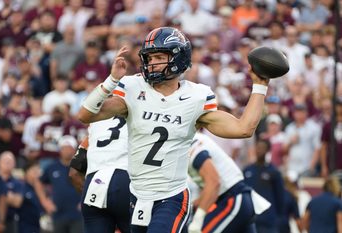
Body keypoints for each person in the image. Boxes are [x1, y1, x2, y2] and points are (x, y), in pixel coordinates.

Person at [78, 26, 270, 232]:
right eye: (149, 58)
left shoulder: (196, 97)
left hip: (171, 197)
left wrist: (259, 86)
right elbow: (86, 115)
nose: (152, 63)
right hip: (137, 196)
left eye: (159, 57)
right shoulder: (134, 88)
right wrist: (111, 80)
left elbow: (243, 129)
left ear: (178, 58)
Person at [187, 132, 270, 233]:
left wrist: (198, 219)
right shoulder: (194, 139)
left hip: (233, 200)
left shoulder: (190, 142)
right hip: (237, 199)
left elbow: (214, 182)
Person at [69, 117, 131, 233]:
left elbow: (74, 173)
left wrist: (88, 193)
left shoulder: (96, 124)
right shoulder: (140, 117)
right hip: (125, 180)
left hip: (94, 183)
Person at [243, 138, 285, 233]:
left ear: (267, 150)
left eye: (262, 148)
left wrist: (278, 218)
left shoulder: (274, 172)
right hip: (250, 219)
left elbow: (280, 197)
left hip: (268, 220)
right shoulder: (247, 170)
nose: (259, 150)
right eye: (258, 147)